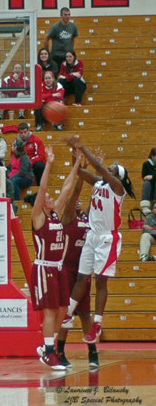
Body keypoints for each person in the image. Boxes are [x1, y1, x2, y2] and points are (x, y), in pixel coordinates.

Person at [63, 136, 136, 345]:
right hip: (92, 235)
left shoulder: (116, 187)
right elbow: (79, 172)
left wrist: (82, 146)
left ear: (117, 176)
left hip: (107, 237)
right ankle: (67, 312)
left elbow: (99, 167)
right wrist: (75, 157)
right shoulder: (98, 183)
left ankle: (97, 323)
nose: (108, 169)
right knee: (81, 278)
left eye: (112, 169)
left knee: (100, 280)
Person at [30, 146, 81, 370]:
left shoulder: (56, 214)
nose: (51, 199)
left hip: (58, 268)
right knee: (50, 311)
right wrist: (49, 163)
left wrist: (78, 163)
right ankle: (49, 353)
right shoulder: (37, 218)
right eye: (47, 198)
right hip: (43, 269)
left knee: (63, 310)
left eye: (51, 198)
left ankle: (47, 347)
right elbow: (42, 189)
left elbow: (67, 188)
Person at [56, 168, 99, 369]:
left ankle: (92, 353)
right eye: (76, 202)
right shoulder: (67, 218)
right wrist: (79, 172)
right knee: (66, 311)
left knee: (84, 313)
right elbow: (75, 194)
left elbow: (94, 202)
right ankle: (60, 351)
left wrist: (97, 174)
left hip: (84, 271)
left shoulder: (88, 219)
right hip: (68, 269)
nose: (79, 203)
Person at [43, 7, 79, 72]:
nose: (67, 17)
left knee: (68, 74)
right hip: (56, 56)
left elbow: (73, 39)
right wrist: (47, 53)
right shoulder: (55, 27)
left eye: (69, 14)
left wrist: (71, 51)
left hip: (67, 56)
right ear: (61, 15)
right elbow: (46, 39)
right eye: (65, 15)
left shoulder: (73, 26)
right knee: (55, 74)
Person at [140, 148, 156, 215]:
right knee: (146, 183)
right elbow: (144, 176)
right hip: (150, 185)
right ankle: (145, 206)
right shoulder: (146, 164)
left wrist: (152, 177)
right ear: (153, 156)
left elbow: (151, 177)